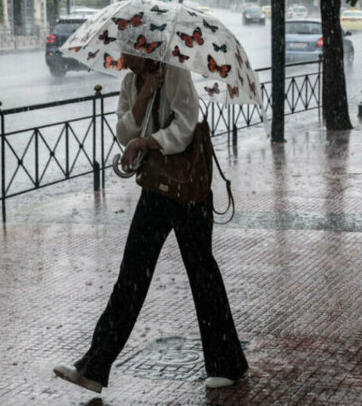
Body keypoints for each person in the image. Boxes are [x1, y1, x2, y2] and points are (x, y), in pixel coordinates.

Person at [53, 54, 249, 393]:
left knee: (201, 272)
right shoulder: (131, 82)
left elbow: (186, 126)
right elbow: (124, 131)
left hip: (188, 188)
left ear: (145, 48)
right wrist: (144, 96)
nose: (121, 57)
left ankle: (228, 364)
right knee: (132, 275)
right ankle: (95, 367)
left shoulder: (175, 73)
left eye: (128, 50)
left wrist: (147, 141)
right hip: (156, 185)